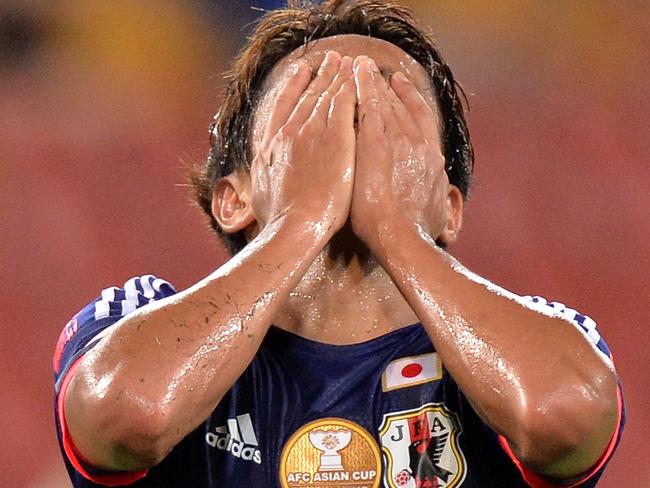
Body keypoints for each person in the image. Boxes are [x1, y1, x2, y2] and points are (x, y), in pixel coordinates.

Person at [53, 1, 624, 486]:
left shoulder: (530, 336)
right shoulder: (139, 314)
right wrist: (302, 221)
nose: (354, 120)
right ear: (234, 198)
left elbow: (561, 417)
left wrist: (396, 228)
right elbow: (126, 418)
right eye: (312, 103)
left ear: (449, 207)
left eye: (390, 103)